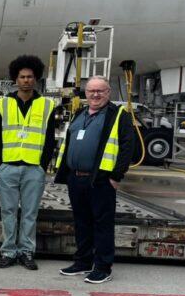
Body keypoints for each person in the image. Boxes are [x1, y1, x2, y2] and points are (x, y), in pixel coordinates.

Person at [54, 76, 136, 284]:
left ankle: (102, 267)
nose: (95, 94)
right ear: (86, 94)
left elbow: (127, 148)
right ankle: (83, 261)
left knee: (102, 224)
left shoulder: (118, 115)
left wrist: (116, 176)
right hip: (76, 178)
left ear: (108, 93)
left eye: (100, 91)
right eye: (91, 91)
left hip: (100, 180)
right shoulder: (80, 114)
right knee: (81, 223)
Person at [0, 55, 58, 271]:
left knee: (30, 213)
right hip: (8, 167)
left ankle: (27, 252)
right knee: (8, 212)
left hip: (33, 169)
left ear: (36, 79)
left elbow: (50, 139)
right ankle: (9, 252)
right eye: (22, 77)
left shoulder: (47, 105)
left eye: (30, 77)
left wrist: (42, 164)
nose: (26, 80)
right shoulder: (2, 104)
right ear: (15, 79)